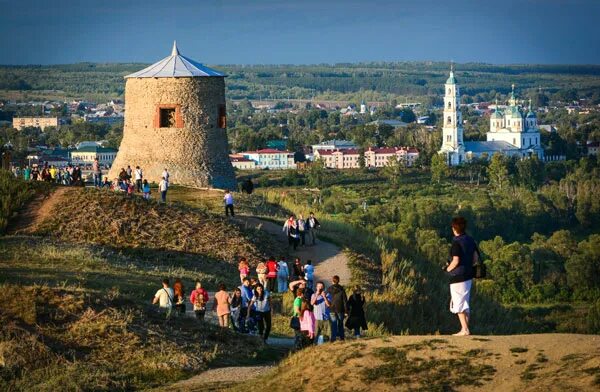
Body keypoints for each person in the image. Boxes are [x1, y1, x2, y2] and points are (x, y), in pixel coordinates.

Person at [446, 216, 478, 336]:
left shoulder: (456, 242)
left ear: (454, 228)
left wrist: (447, 269)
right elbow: (475, 258)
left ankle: (464, 329)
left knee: (458, 303)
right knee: (465, 302)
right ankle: (465, 328)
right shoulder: (470, 240)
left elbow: (456, 260)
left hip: (458, 276)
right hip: (468, 275)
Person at [327, 275, 348, 342]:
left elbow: (327, 298)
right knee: (340, 324)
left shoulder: (329, 289)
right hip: (340, 309)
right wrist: (346, 311)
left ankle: (333, 339)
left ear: (332, 281)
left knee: (333, 324)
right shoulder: (342, 289)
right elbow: (345, 301)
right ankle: (342, 338)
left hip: (332, 309)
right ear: (338, 281)